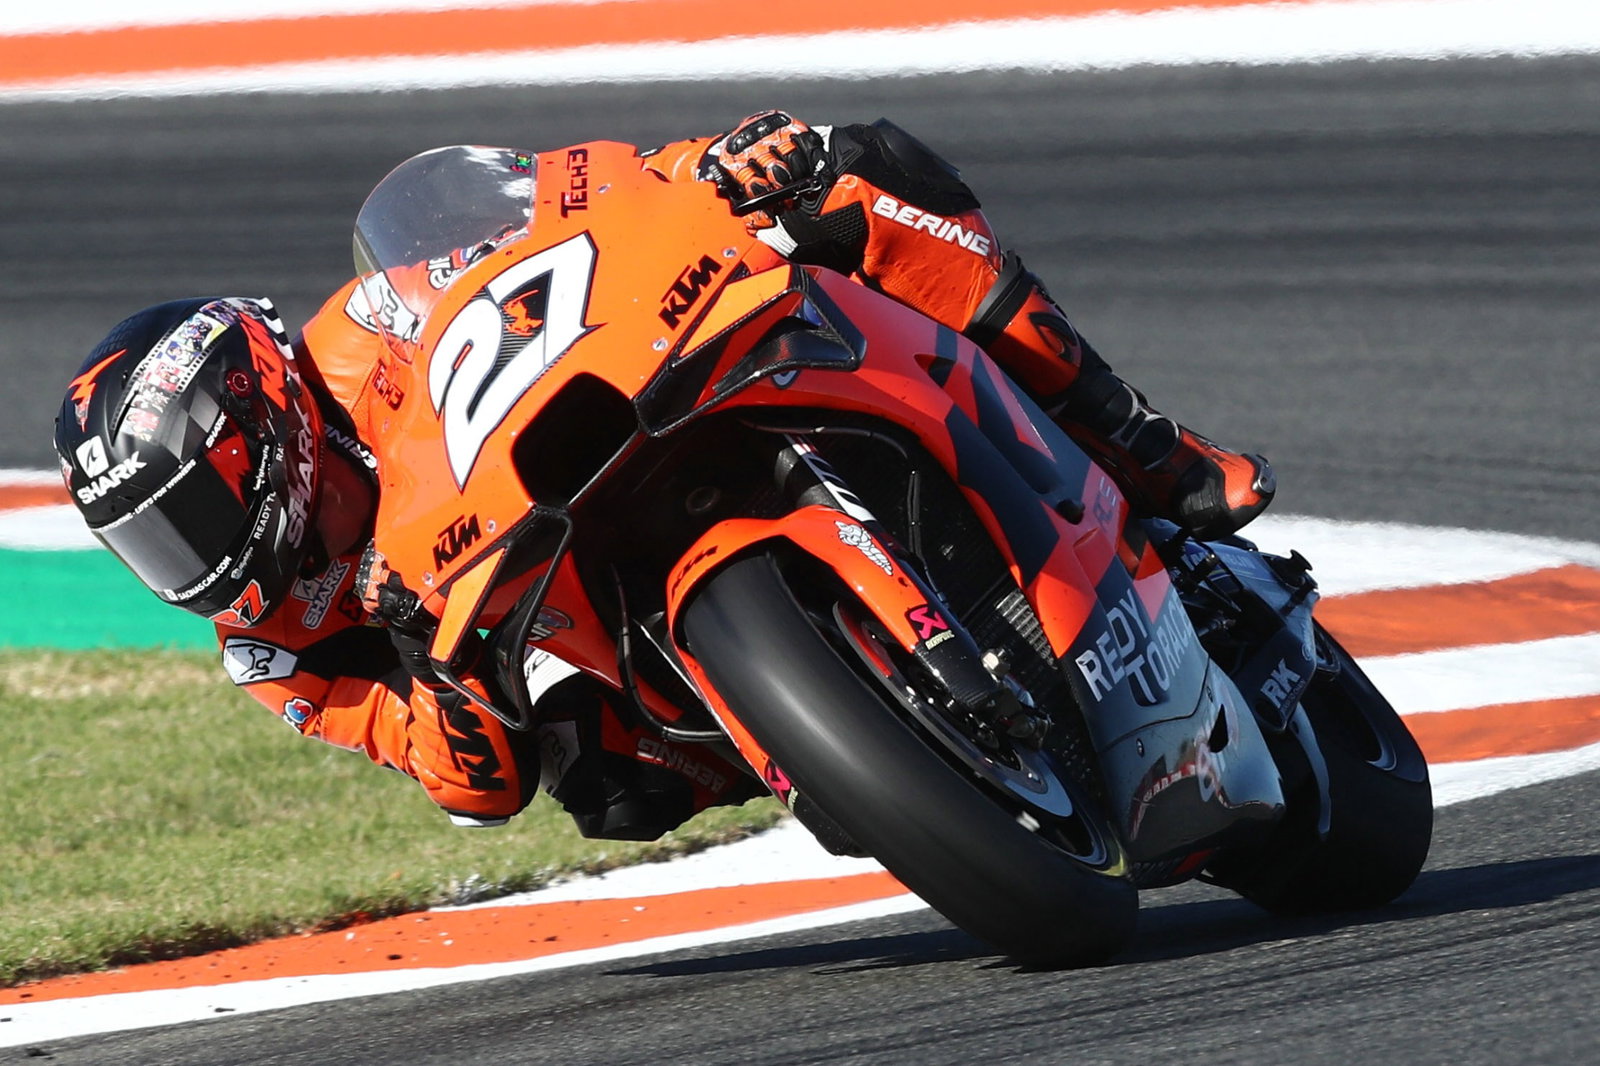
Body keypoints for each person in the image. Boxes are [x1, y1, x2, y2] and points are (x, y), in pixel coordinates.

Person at [52, 111, 1274, 838]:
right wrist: (442, 685)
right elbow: (465, 786)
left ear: (262, 422)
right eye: (152, 540)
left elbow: (558, 217)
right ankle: (851, 740)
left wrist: (709, 168)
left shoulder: (371, 323)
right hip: (567, 615)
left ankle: (1147, 451)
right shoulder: (273, 644)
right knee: (605, 789)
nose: (197, 563)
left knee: (850, 172)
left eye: (191, 509)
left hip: (615, 407)